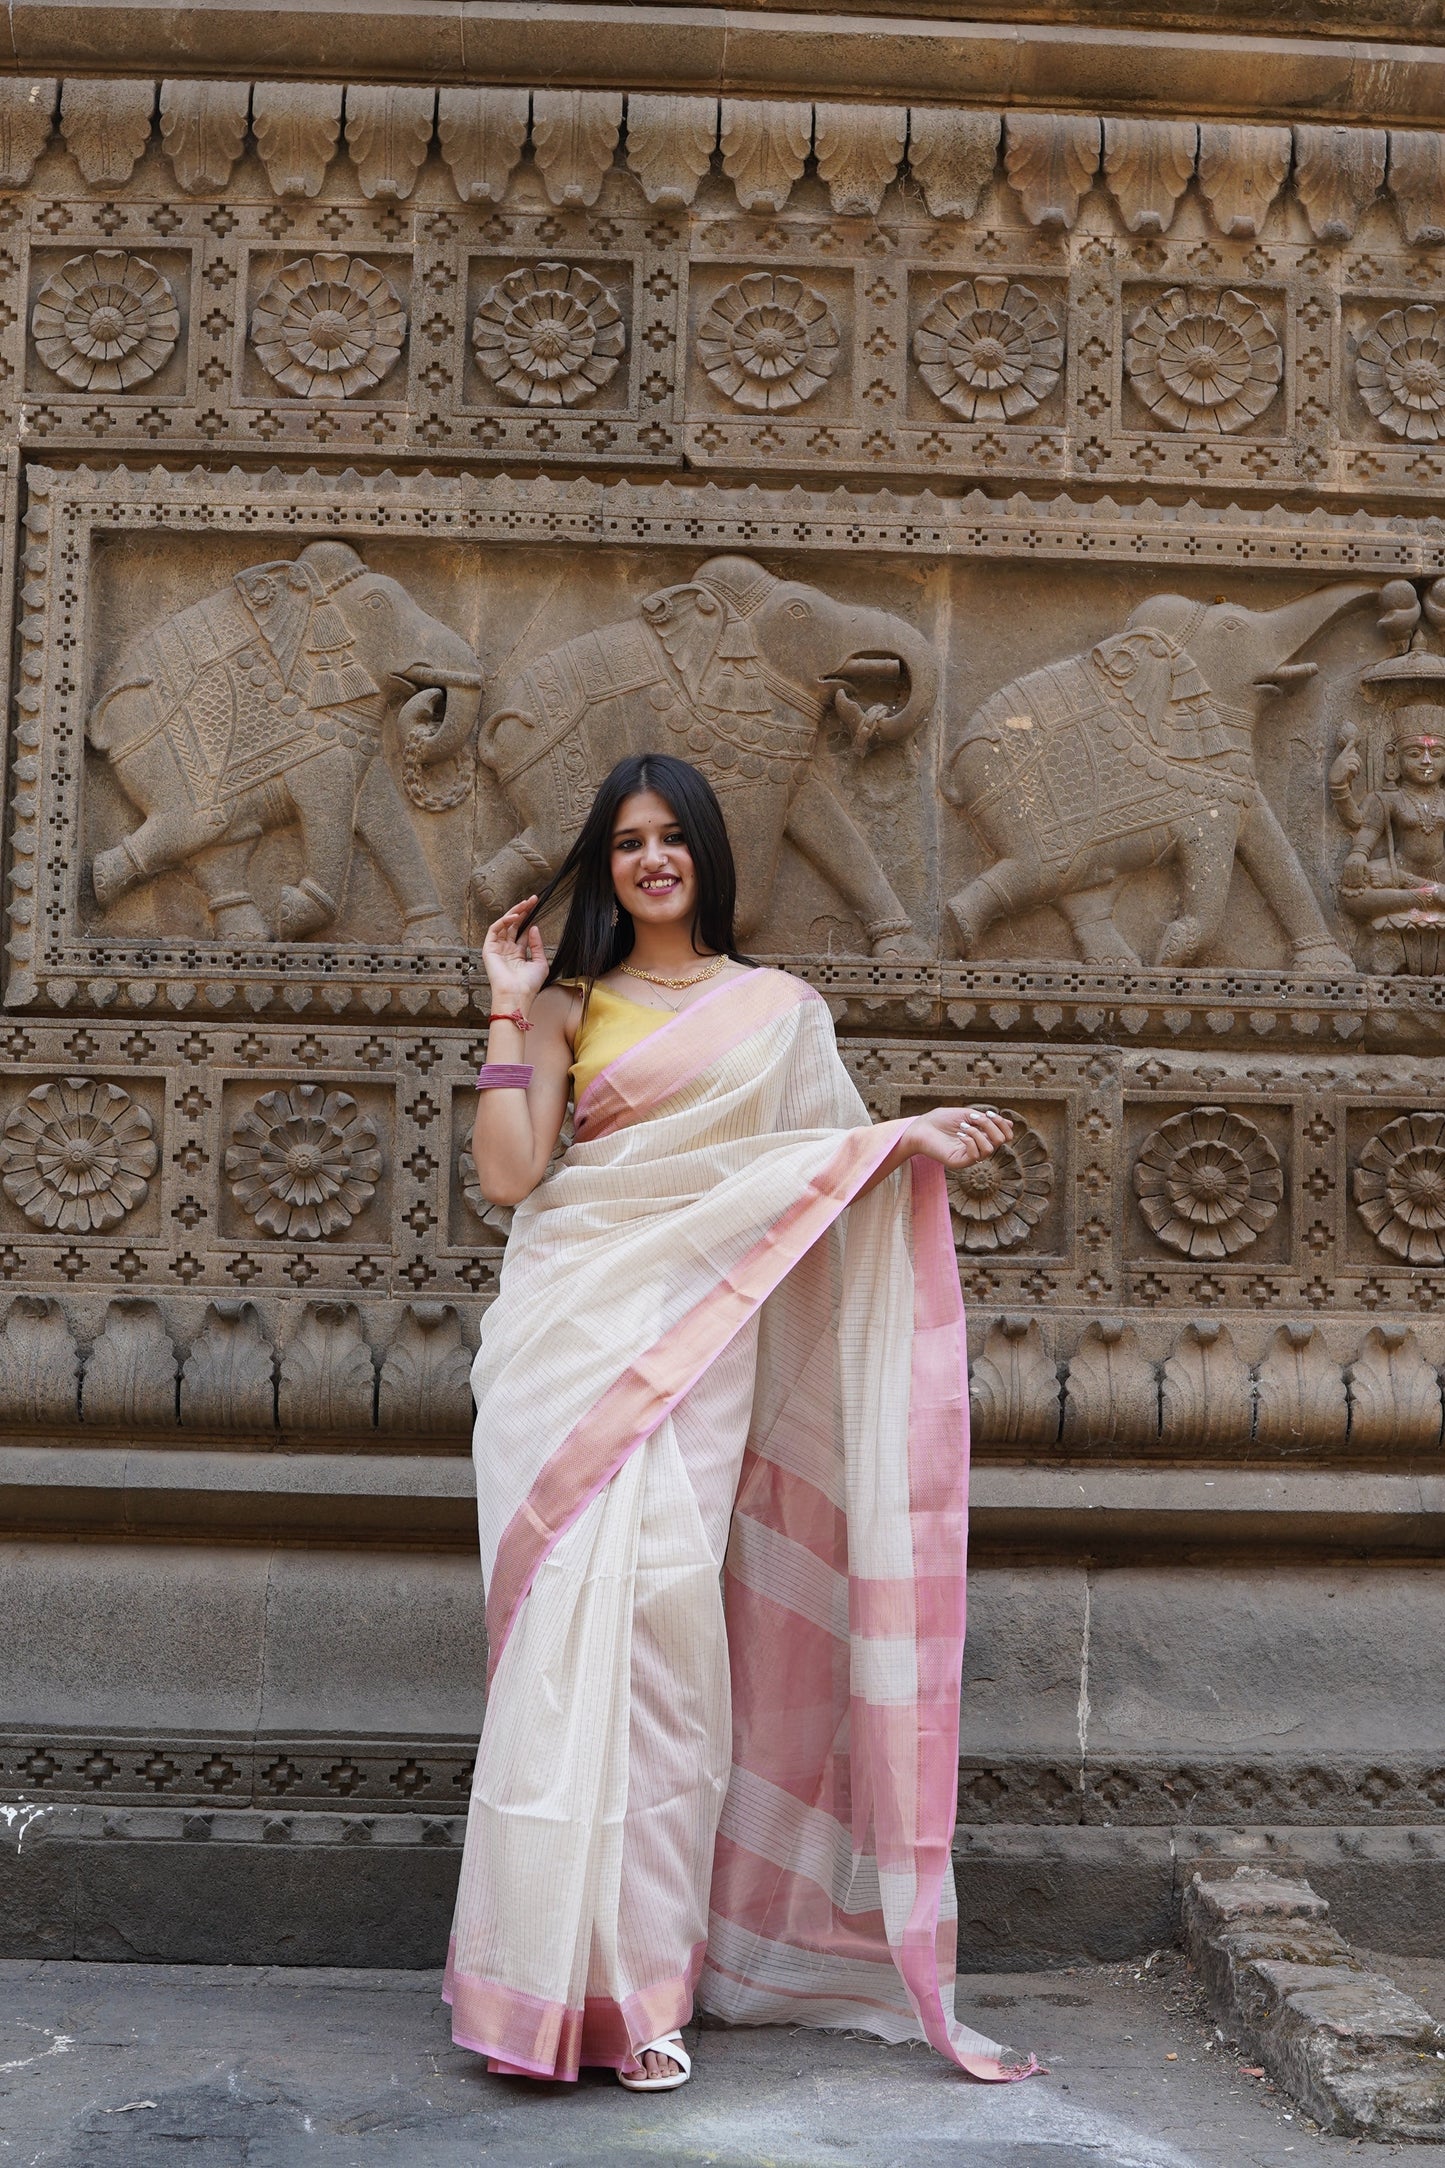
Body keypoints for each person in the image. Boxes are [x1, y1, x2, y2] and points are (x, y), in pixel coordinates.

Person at [445, 751, 1038, 2091]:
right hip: (564, 1351)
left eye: (672, 837)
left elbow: (794, 1174)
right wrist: (503, 1009)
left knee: (663, 1648)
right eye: (626, 842)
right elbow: (509, 1177)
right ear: (602, 864)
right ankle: (538, 1983)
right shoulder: (568, 1005)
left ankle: (641, 1994)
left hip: (696, 1353)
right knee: (560, 1662)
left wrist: (900, 1142)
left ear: (709, 854)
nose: (652, 858)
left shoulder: (777, 1012)